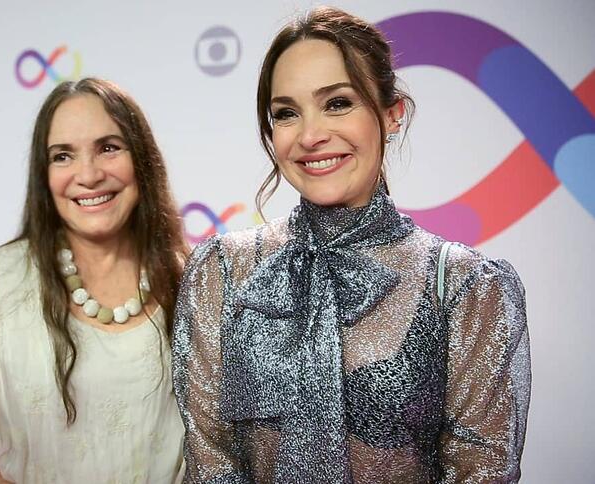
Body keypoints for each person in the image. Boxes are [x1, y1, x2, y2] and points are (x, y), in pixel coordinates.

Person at [172, 7, 531, 483]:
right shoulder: (222, 270)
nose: (312, 135)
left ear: (391, 114)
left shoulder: (467, 286)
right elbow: (210, 458)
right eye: (286, 113)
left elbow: (482, 471)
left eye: (338, 103)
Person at [0, 78, 188, 483]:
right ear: (44, 173)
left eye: (108, 148)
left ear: (142, 159)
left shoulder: (193, 283)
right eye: (63, 156)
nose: (88, 175)